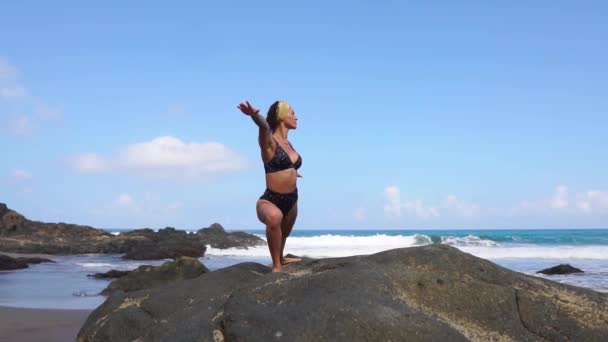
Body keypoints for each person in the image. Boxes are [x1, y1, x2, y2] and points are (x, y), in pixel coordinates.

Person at [237, 100, 303, 272]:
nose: (296, 117)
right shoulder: (270, 142)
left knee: (284, 233)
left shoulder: (289, 145)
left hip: (291, 199)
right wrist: (254, 115)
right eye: (292, 113)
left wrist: (292, 171)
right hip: (270, 200)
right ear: (281, 116)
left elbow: (283, 165)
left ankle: (281, 257)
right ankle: (276, 266)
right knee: (274, 219)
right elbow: (264, 127)